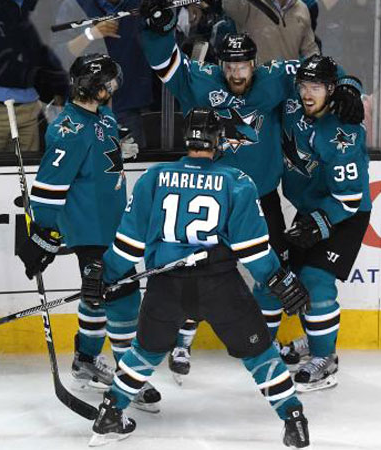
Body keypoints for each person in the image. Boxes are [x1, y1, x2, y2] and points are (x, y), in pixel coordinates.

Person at [138, 0, 364, 378]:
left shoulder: (276, 77)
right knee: (190, 267)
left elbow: (324, 70)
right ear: (220, 63)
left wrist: (350, 87)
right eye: (229, 65)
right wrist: (157, 31)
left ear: (254, 63)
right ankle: (181, 341)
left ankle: (264, 341)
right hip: (208, 196)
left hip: (260, 198)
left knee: (272, 270)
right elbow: (165, 64)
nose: (235, 73)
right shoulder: (203, 81)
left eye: (242, 65)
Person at [84, 107, 311, 448]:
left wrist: (104, 275)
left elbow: (128, 245)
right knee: (260, 354)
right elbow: (253, 251)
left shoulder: (154, 177)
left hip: (166, 286)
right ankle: (293, 419)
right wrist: (277, 279)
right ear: (218, 139)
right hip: (220, 287)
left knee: (144, 352)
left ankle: (110, 414)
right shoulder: (236, 181)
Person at [16, 53, 159, 412]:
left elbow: (101, 152)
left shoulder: (102, 115)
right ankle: (130, 378)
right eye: (109, 82)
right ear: (98, 88)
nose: (114, 87)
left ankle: (85, 359)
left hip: (111, 226)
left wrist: (118, 148)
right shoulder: (69, 130)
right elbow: (49, 188)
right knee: (124, 299)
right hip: (90, 232)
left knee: (96, 294)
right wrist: (43, 234)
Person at [278, 55, 371, 391]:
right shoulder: (293, 103)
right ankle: (313, 339)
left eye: (316, 87)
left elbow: (349, 199)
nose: (306, 93)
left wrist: (317, 223)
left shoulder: (342, 133)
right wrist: (351, 83)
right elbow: (323, 66)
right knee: (300, 279)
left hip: (345, 214)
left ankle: (325, 360)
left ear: (330, 91)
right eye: (304, 85)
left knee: (316, 280)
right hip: (312, 209)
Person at [0, 0, 68, 154]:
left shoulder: (41, 6)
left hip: (30, 111)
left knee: (26, 176)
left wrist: (58, 87)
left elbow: (45, 53)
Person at [53, 0, 153, 149]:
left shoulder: (141, 4)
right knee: (86, 165)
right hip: (84, 110)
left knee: (133, 166)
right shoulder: (73, 5)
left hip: (127, 108)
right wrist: (90, 34)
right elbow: (58, 57)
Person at [222, 0, 319, 63]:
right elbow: (230, 5)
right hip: (259, 84)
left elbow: (309, 48)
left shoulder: (302, 8)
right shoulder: (247, 5)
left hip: (290, 83)